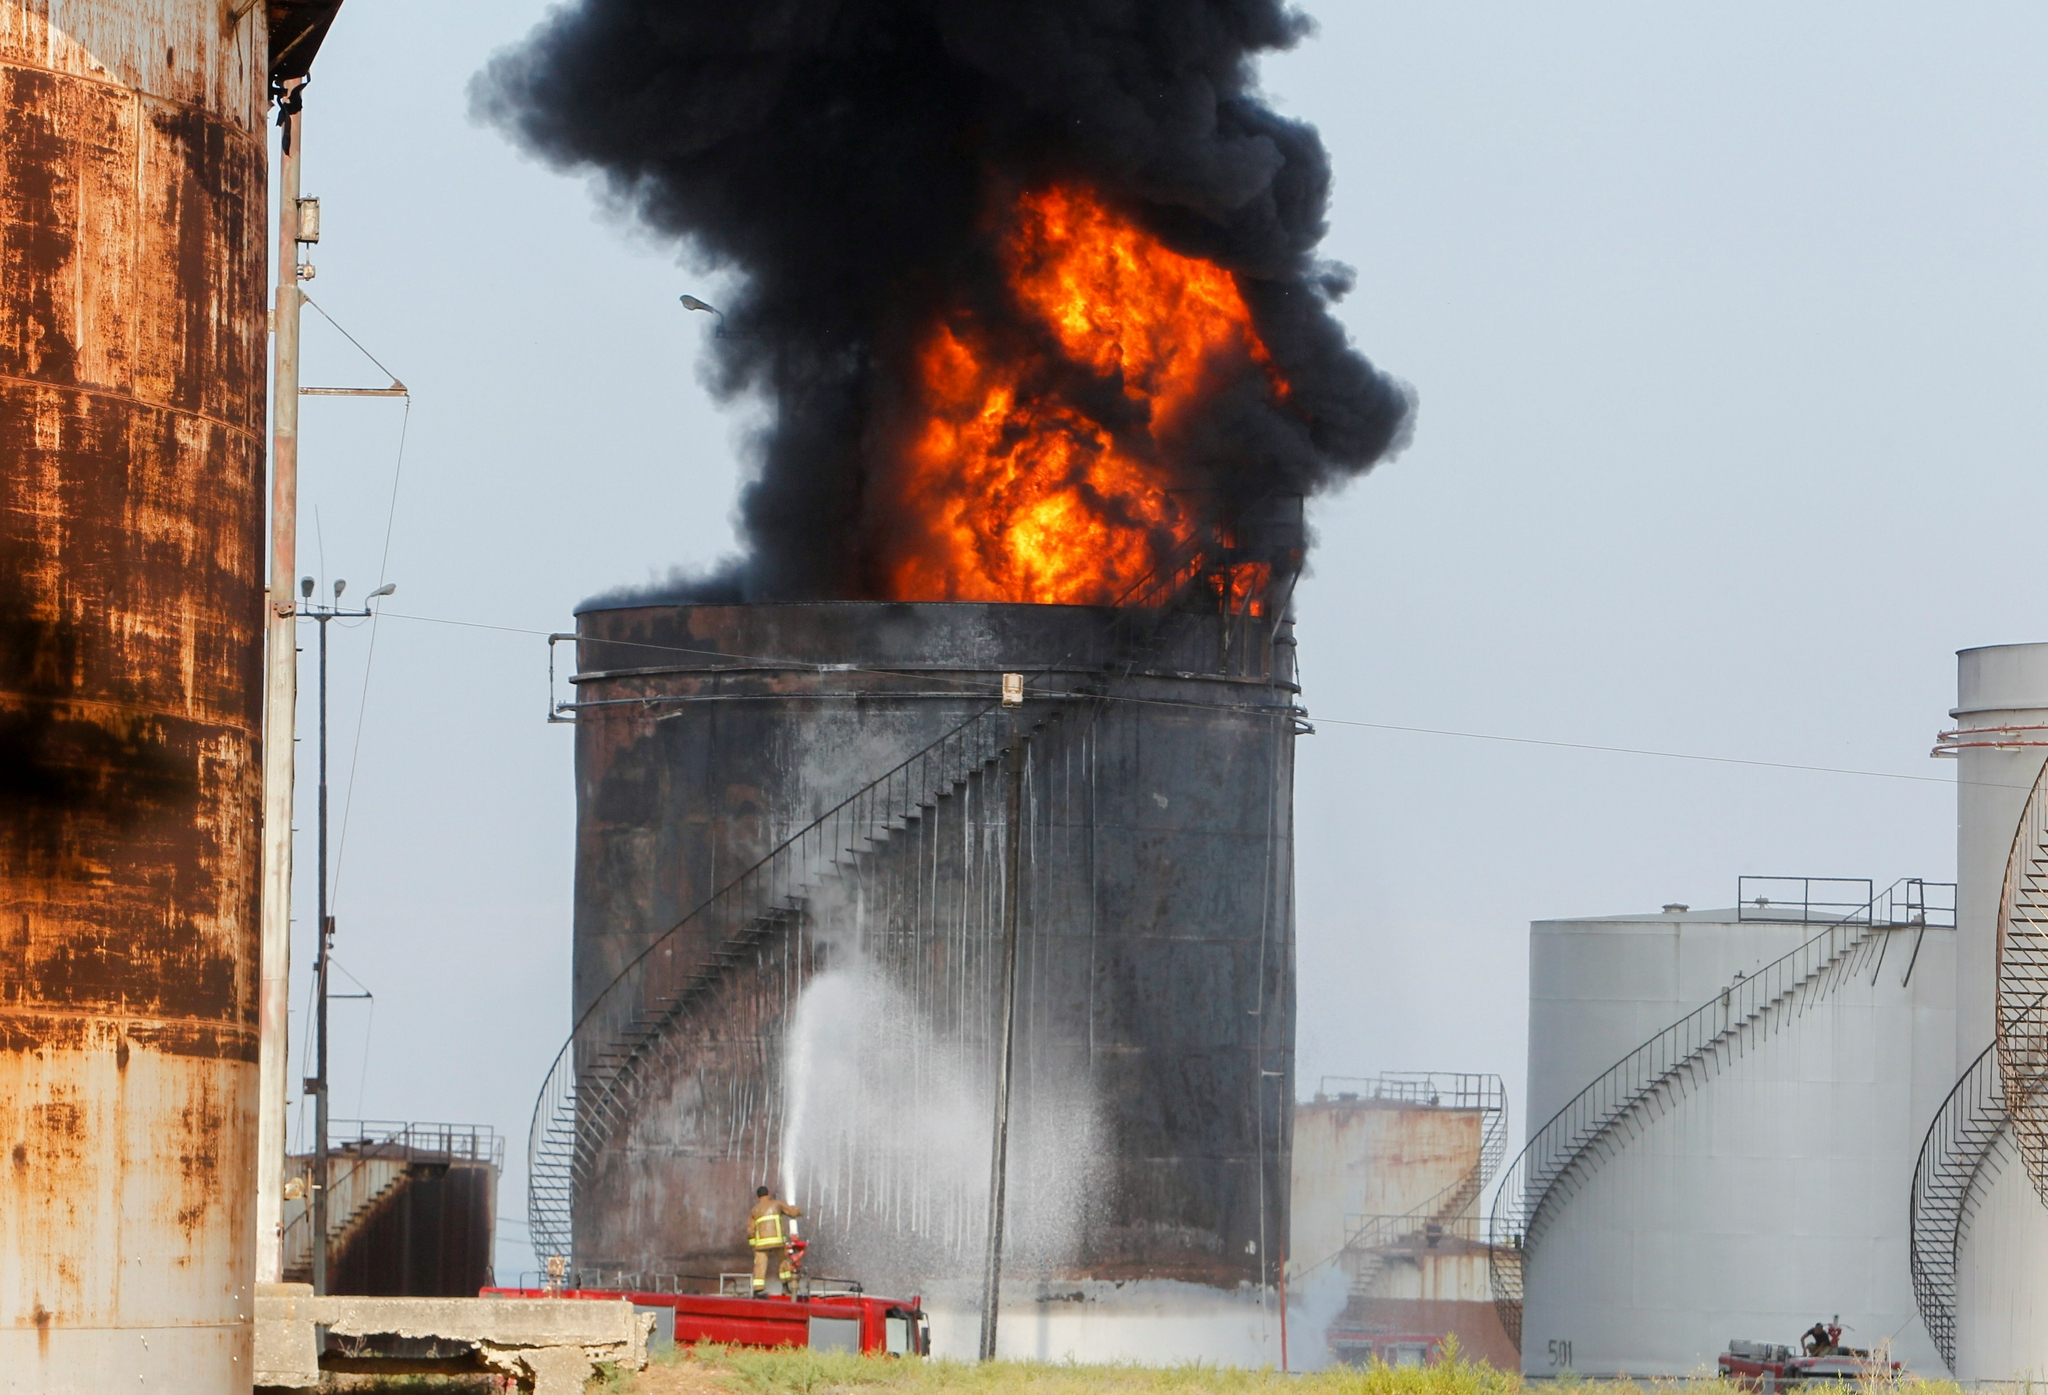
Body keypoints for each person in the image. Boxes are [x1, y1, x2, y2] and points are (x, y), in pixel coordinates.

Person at [747, 1185, 803, 1295]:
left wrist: (753, 1245)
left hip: (761, 1244)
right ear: (768, 1194)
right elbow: (791, 1211)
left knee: (760, 1265)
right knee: (783, 1262)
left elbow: (750, 1230)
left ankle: (758, 1291)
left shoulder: (754, 1210)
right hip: (778, 1241)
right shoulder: (777, 1204)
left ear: (758, 1197)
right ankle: (785, 1287)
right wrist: (800, 1211)